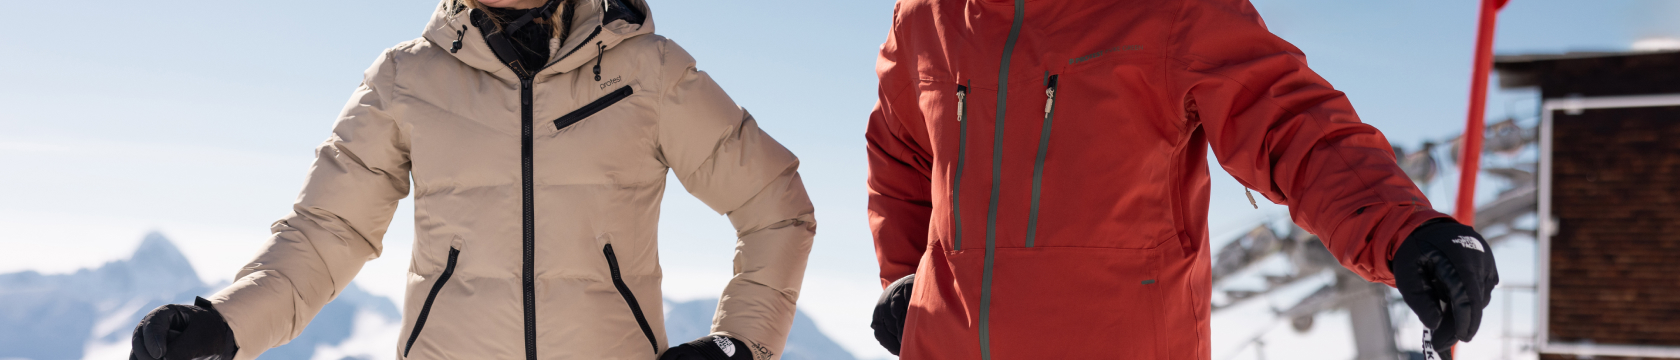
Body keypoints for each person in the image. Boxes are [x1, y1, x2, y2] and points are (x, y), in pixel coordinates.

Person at [127, 0, 814, 359]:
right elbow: (327, 233)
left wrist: (739, 347)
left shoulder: (647, 72)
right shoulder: (405, 79)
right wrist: (225, 326)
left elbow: (776, 206)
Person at [865, 0, 1499, 359]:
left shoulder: (1171, 10)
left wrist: (1404, 226)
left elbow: (1288, 121)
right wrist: (901, 276)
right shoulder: (929, 17)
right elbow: (899, 149)